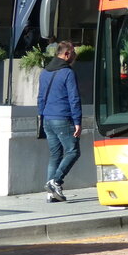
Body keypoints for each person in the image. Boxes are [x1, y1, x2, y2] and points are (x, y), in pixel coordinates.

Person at [37, 41, 81, 202]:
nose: (75, 56)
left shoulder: (45, 72)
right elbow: (74, 98)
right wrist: (77, 121)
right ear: (67, 54)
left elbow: (40, 97)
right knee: (73, 151)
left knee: (55, 155)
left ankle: (51, 194)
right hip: (63, 118)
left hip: (47, 119)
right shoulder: (68, 73)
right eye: (74, 53)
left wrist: (42, 117)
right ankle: (55, 182)